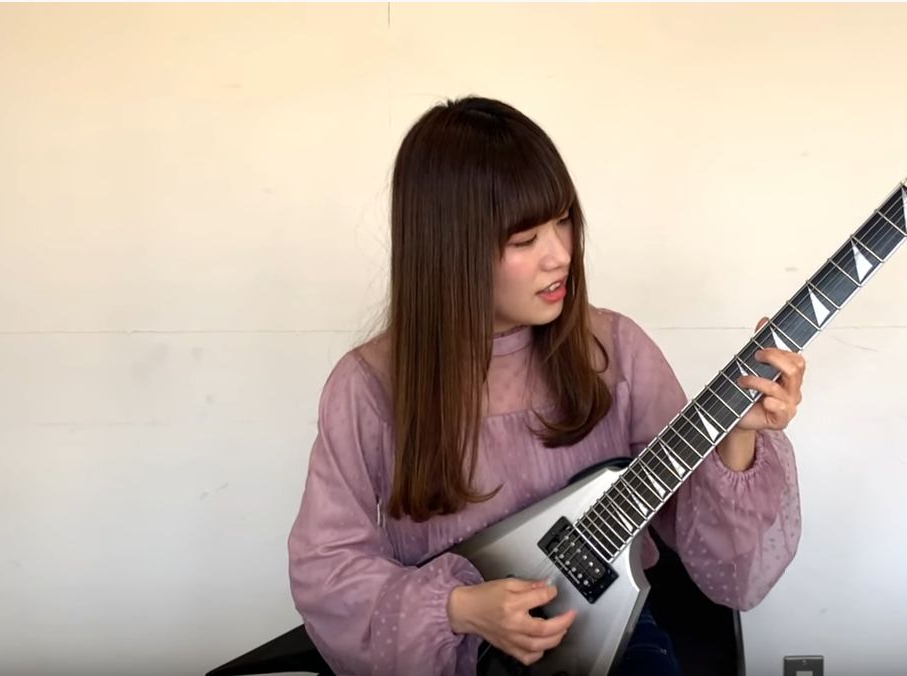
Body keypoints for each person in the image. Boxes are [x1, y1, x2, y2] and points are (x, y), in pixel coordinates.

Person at [287, 95, 803, 676]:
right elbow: (327, 571)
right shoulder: (368, 386)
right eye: (525, 239)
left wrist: (738, 435)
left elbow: (719, 562)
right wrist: (459, 608)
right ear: (450, 250)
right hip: (460, 655)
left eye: (563, 221)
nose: (561, 255)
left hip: (616, 644)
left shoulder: (615, 349)